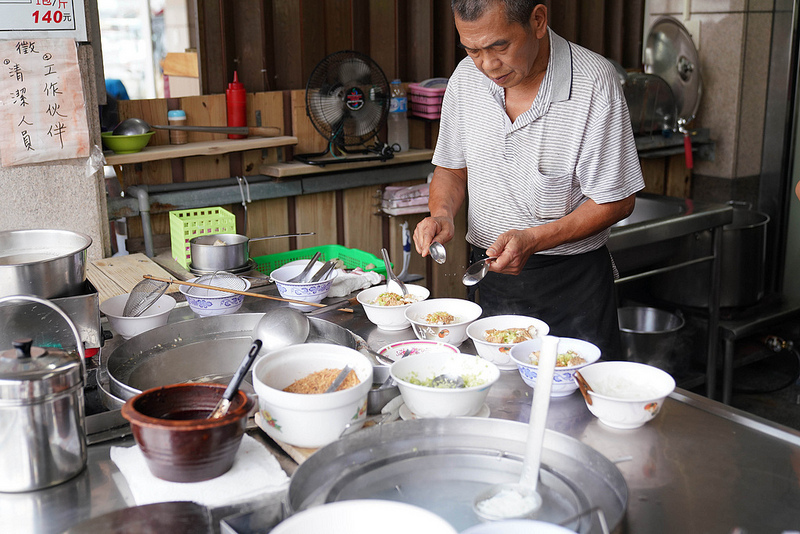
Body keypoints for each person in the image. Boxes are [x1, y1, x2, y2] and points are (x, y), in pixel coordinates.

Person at [413, 0, 644, 359]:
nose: (487, 65)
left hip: (571, 288)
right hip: (491, 278)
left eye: (499, 46)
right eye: (473, 50)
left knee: (574, 406)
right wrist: (442, 213)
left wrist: (534, 239)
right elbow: (452, 168)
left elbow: (617, 200)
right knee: (497, 400)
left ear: (537, 20)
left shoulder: (593, 82)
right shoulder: (465, 78)